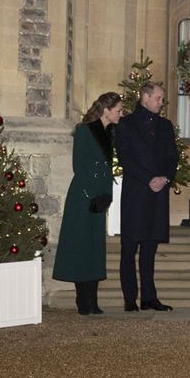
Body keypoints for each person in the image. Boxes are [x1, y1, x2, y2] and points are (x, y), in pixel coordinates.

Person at [53, 92, 122, 315]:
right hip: (83, 197)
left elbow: (106, 169)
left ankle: (92, 300)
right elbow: (79, 167)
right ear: (106, 111)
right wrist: (92, 194)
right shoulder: (85, 131)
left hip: (99, 196)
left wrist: (106, 195)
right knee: (81, 247)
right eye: (118, 110)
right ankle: (83, 300)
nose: (121, 113)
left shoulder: (110, 131)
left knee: (94, 248)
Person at [114, 82, 179, 312]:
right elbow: (125, 157)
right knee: (129, 248)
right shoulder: (126, 124)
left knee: (150, 248)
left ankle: (149, 297)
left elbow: (173, 157)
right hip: (136, 193)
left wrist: (164, 178)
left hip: (158, 193)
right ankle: (130, 298)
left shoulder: (165, 125)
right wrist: (148, 179)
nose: (161, 103)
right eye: (158, 98)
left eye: (162, 99)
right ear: (145, 96)